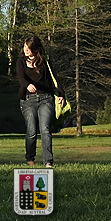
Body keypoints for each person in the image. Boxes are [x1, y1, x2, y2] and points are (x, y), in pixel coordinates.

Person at [17, 35, 65, 168]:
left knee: (45, 129)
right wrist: (27, 85)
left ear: (35, 49)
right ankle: (30, 158)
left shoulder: (45, 61)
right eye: (25, 47)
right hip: (28, 100)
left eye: (29, 47)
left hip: (46, 98)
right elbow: (21, 77)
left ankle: (48, 161)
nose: (26, 50)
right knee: (31, 131)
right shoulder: (20, 61)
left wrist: (61, 94)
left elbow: (53, 77)